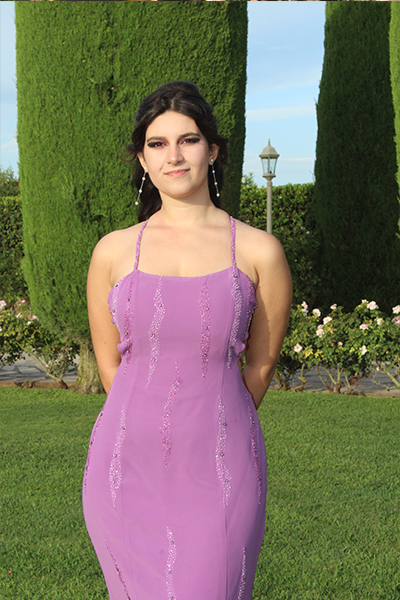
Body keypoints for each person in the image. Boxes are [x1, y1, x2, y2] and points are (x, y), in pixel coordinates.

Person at [83, 81, 292, 600]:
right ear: (142, 158)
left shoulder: (260, 251)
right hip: (125, 469)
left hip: (221, 467)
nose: (173, 156)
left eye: (189, 140)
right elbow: (110, 368)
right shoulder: (112, 252)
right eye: (157, 144)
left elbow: (261, 365)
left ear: (213, 150)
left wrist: (214, 424)